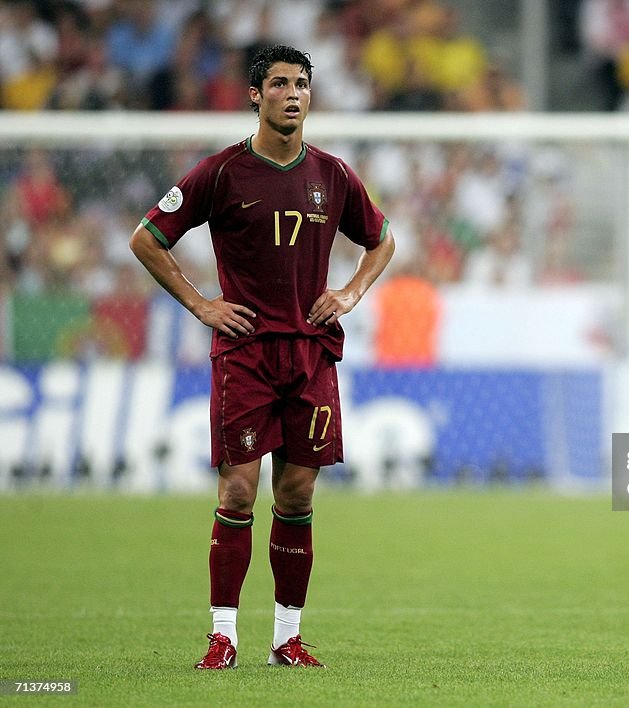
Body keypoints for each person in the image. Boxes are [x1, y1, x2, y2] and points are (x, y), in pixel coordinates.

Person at [129, 45, 395, 669]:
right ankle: (223, 636)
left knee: (298, 496)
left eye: (302, 83)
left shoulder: (332, 175)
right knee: (240, 492)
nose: (293, 93)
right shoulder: (221, 173)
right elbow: (146, 238)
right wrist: (200, 304)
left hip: (311, 354)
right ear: (256, 95)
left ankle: (286, 639)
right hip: (245, 354)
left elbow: (382, 240)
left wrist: (351, 292)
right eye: (279, 83)